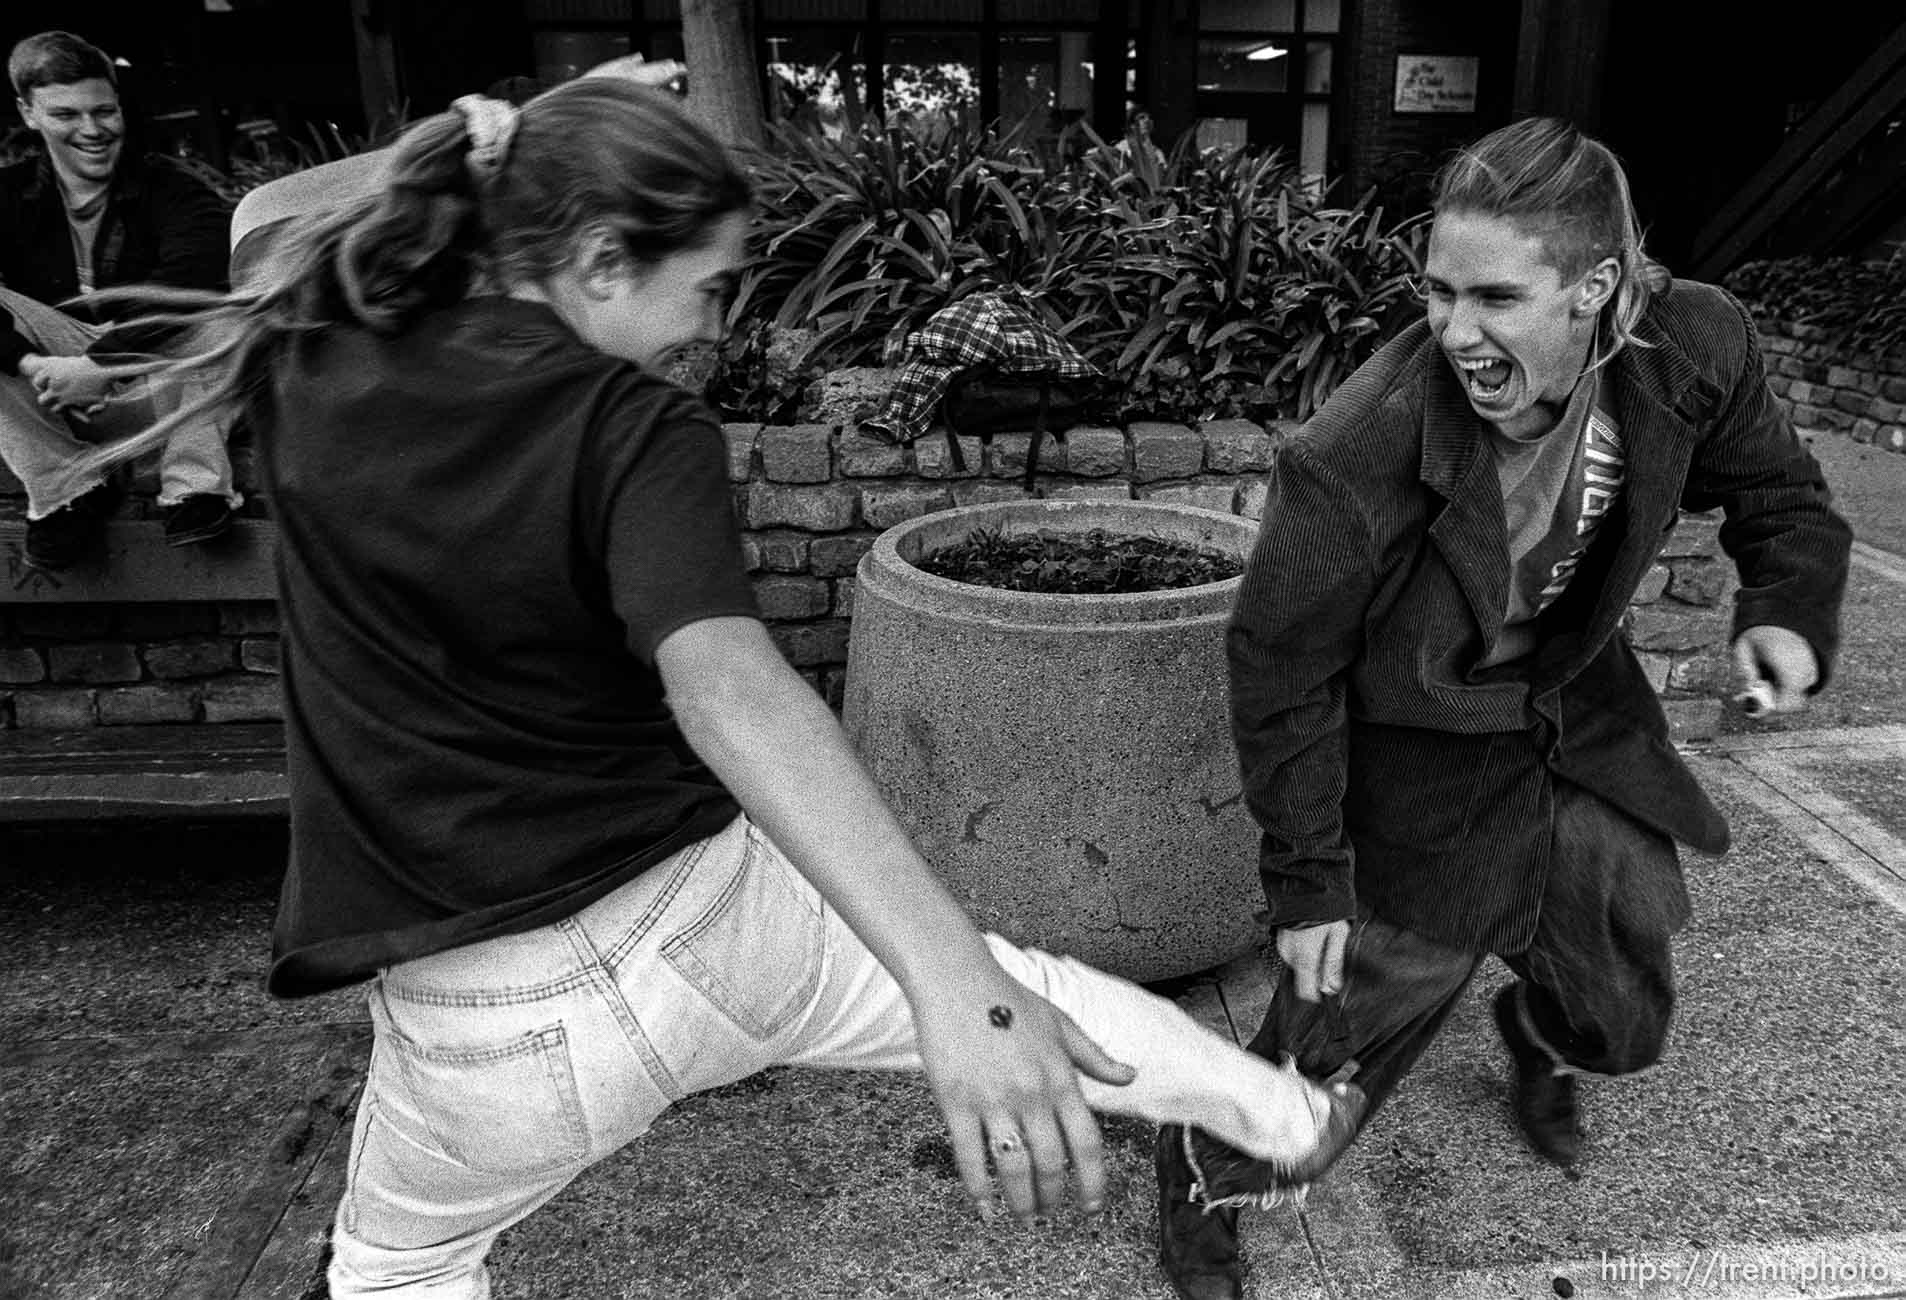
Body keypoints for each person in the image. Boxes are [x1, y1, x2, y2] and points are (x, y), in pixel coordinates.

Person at [77, 79, 1362, 1298]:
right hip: (715, 923)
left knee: (399, 1269)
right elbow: (730, 690)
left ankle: (1263, 1105)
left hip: (489, 1023)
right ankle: (1288, 1114)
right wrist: (958, 991)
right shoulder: (633, 430)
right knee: (1025, 983)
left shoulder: (315, 355)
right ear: (594, 263)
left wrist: (486, 139)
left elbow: (266, 222)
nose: (716, 323)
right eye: (708, 286)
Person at [1153, 115, 1852, 1300]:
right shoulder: (1358, 446)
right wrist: (1311, 874)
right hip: (1422, 763)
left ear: (1597, 287)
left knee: (1624, 1019)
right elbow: (1281, 662)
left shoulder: (1694, 340)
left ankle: (1535, 1032)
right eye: (1435, 291)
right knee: (1341, 1035)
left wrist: (1784, 607)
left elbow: (1781, 496)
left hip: (1578, 730)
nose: (1454, 331)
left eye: (1493, 297)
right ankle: (1201, 1161)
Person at [1, 30, 240, 570]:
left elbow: (192, 282)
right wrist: (37, 362)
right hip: (59, 392)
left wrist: (100, 364)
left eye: (103, 111)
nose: (92, 130)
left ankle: (194, 490)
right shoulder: (8, 196)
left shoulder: (173, 187)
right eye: (66, 114)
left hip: (163, 383)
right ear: (29, 114)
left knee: (228, 318)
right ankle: (69, 492)